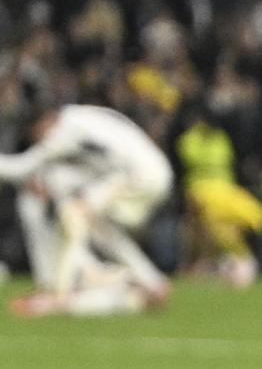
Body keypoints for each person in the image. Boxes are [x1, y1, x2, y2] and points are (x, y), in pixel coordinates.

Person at [0, 104, 175, 318]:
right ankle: (150, 282)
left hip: (138, 176)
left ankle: (60, 291)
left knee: (74, 213)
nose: (38, 140)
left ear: (47, 121)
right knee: (96, 222)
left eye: (36, 134)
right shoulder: (80, 114)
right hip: (150, 169)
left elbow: (23, 167)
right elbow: (100, 155)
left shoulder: (64, 132)